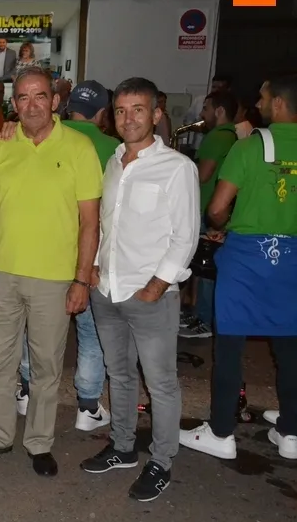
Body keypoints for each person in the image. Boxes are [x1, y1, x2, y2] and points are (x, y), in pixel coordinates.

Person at [0, 67, 102, 477]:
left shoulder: (79, 148)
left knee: (45, 366)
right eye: (22, 98)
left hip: (55, 280)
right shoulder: (0, 150)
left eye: (39, 95)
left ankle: (40, 443)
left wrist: (81, 279)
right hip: (0, 274)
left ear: (55, 100)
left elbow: (90, 222)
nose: (31, 105)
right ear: (14, 105)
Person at [80, 77, 199, 502]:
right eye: (121, 110)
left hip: (150, 295)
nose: (128, 118)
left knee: (161, 382)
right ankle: (124, 446)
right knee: (120, 373)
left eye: (138, 110)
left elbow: (185, 236)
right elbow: (103, 226)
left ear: (156, 114)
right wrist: (93, 269)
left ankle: (162, 461)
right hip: (106, 290)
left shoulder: (176, 168)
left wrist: (157, 283)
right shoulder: (112, 163)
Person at [180, 74, 297, 462]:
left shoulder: (249, 148)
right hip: (293, 258)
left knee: (229, 347)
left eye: (264, 98)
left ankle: (220, 432)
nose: (258, 104)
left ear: (279, 103)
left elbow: (215, 208)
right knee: (290, 345)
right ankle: (292, 431)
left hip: (248, 257)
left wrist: (227, 227)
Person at [4, 80, 119, 430]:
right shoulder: (112, 147)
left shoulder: (37, 134)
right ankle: (87, 404)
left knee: (31, 330)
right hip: (88, 254)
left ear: (61, 105)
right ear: (103, 112)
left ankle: (25, 390)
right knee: (89, 331)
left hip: (42, 255)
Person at [182, 90, 238, 339]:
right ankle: (199, 315)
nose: (201, 115)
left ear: (219, 111)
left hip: (208, 208)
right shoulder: (232, 136)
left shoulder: (216, 137)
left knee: (205, 271)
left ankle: (203, 321)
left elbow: (202, 175)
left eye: (205, 109)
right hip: (217, 208)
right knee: (204, 269)